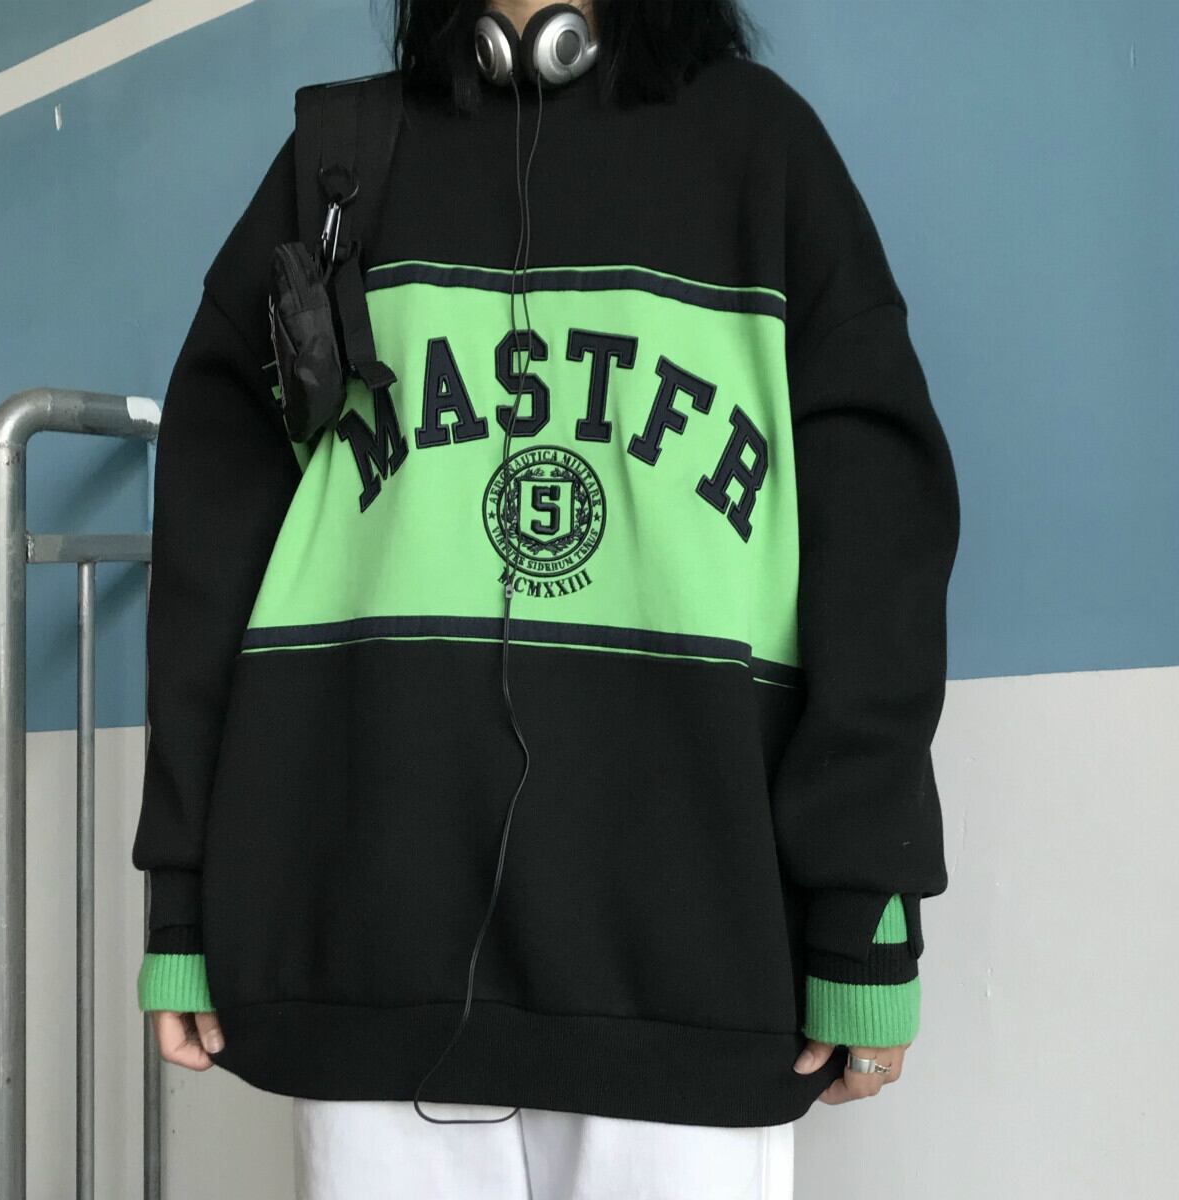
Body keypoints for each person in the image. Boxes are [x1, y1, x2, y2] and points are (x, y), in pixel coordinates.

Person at [131, 1, 961, 1196]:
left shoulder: (761, 151)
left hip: (687, 964)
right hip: (371, 945)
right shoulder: (342, 164)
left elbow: (878, 551)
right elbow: (210, 553)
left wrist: (867, 905)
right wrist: (183, 900)